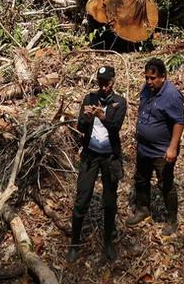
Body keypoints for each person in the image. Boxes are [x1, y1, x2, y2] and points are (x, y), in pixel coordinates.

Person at [69, 65, 128, 263]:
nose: (104, 87)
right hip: (90, 155)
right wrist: (86, 118)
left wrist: (103, 116)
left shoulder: (119, 102)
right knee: (82, 198)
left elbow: (116, 127)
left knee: (110, 202)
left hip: (110, 157)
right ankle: (74, 243)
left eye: (107, 83)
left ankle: (108, 243)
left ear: (113, 82)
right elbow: (80, 127)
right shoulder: (89, 98)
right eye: (101, 83)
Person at [126, 58, 184, 234]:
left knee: (165, 183)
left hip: (162, 150)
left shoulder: (172, 95)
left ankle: (172, 220)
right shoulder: (147, 89)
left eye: (153, 78)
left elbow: (179, 122)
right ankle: (143, 209)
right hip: (144, 147)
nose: (149, 82)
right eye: (146, 78)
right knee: (141, 179)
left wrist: (172, 147)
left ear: (163, 77)